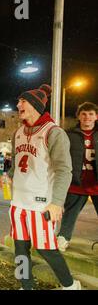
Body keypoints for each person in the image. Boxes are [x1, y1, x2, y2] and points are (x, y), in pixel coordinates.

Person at [3, 84, 81, 290]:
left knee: (47, 249)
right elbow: (18, 162)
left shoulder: (54, 133)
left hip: (42, 205)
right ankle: (26, 285)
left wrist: (57, 203)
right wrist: (9, 176)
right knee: (20, 249)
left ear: (36, 105)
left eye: (23, 101)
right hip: (18, 203)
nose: (18, 104)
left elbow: (65, 170)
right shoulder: (18, 131)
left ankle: (70, 285)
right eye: (18, 101)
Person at [57, 102, 98, 251]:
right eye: (84, 114)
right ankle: (63, 238)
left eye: (91, 114)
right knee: (70, 213)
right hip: (77, 182)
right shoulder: (69, 134)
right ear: (78, 116)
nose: (87, 117)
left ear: (96, 116)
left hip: (96, 182)